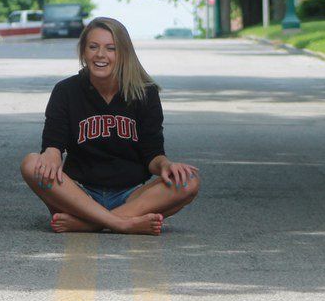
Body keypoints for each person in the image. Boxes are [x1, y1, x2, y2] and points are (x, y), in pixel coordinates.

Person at [20, 17, 200, 235]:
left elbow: (153, 153)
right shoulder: (65, 91)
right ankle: (122, 223)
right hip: (79, 194)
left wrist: (166, 165)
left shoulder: (145, 92)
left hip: (131, 195)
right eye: (93, 47)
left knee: (188, 181)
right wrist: (51, 153)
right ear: (83, 51)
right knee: (31, 163)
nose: (100, 54)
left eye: (110, 48)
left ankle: (90, 224)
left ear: (123, 53)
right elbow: (53, 144)